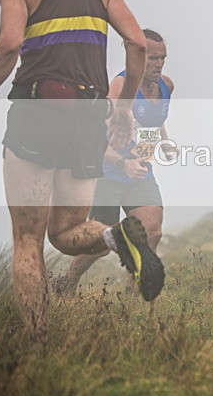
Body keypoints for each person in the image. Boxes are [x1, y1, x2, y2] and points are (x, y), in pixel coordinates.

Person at [0, 0, 164, 341]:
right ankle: (116, 236)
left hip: (38, 110)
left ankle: (39, 342)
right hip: (89, 114)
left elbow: (9, 44)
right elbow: (138, 43)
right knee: (67, 232)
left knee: (30, 239)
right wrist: (122, 110)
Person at [53, 28, 175, 295]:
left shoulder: (166, 85)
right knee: (102, 241)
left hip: (141, 173)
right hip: (107, 174)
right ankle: (66, 283)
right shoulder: (118, 88)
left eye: (162, 58)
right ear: (135, 57)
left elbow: (157, 117)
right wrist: (121, 162)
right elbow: (95, 135)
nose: (158, 64)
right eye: (152, 58)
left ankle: (133, 295)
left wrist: (165, 142)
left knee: (152, 231)